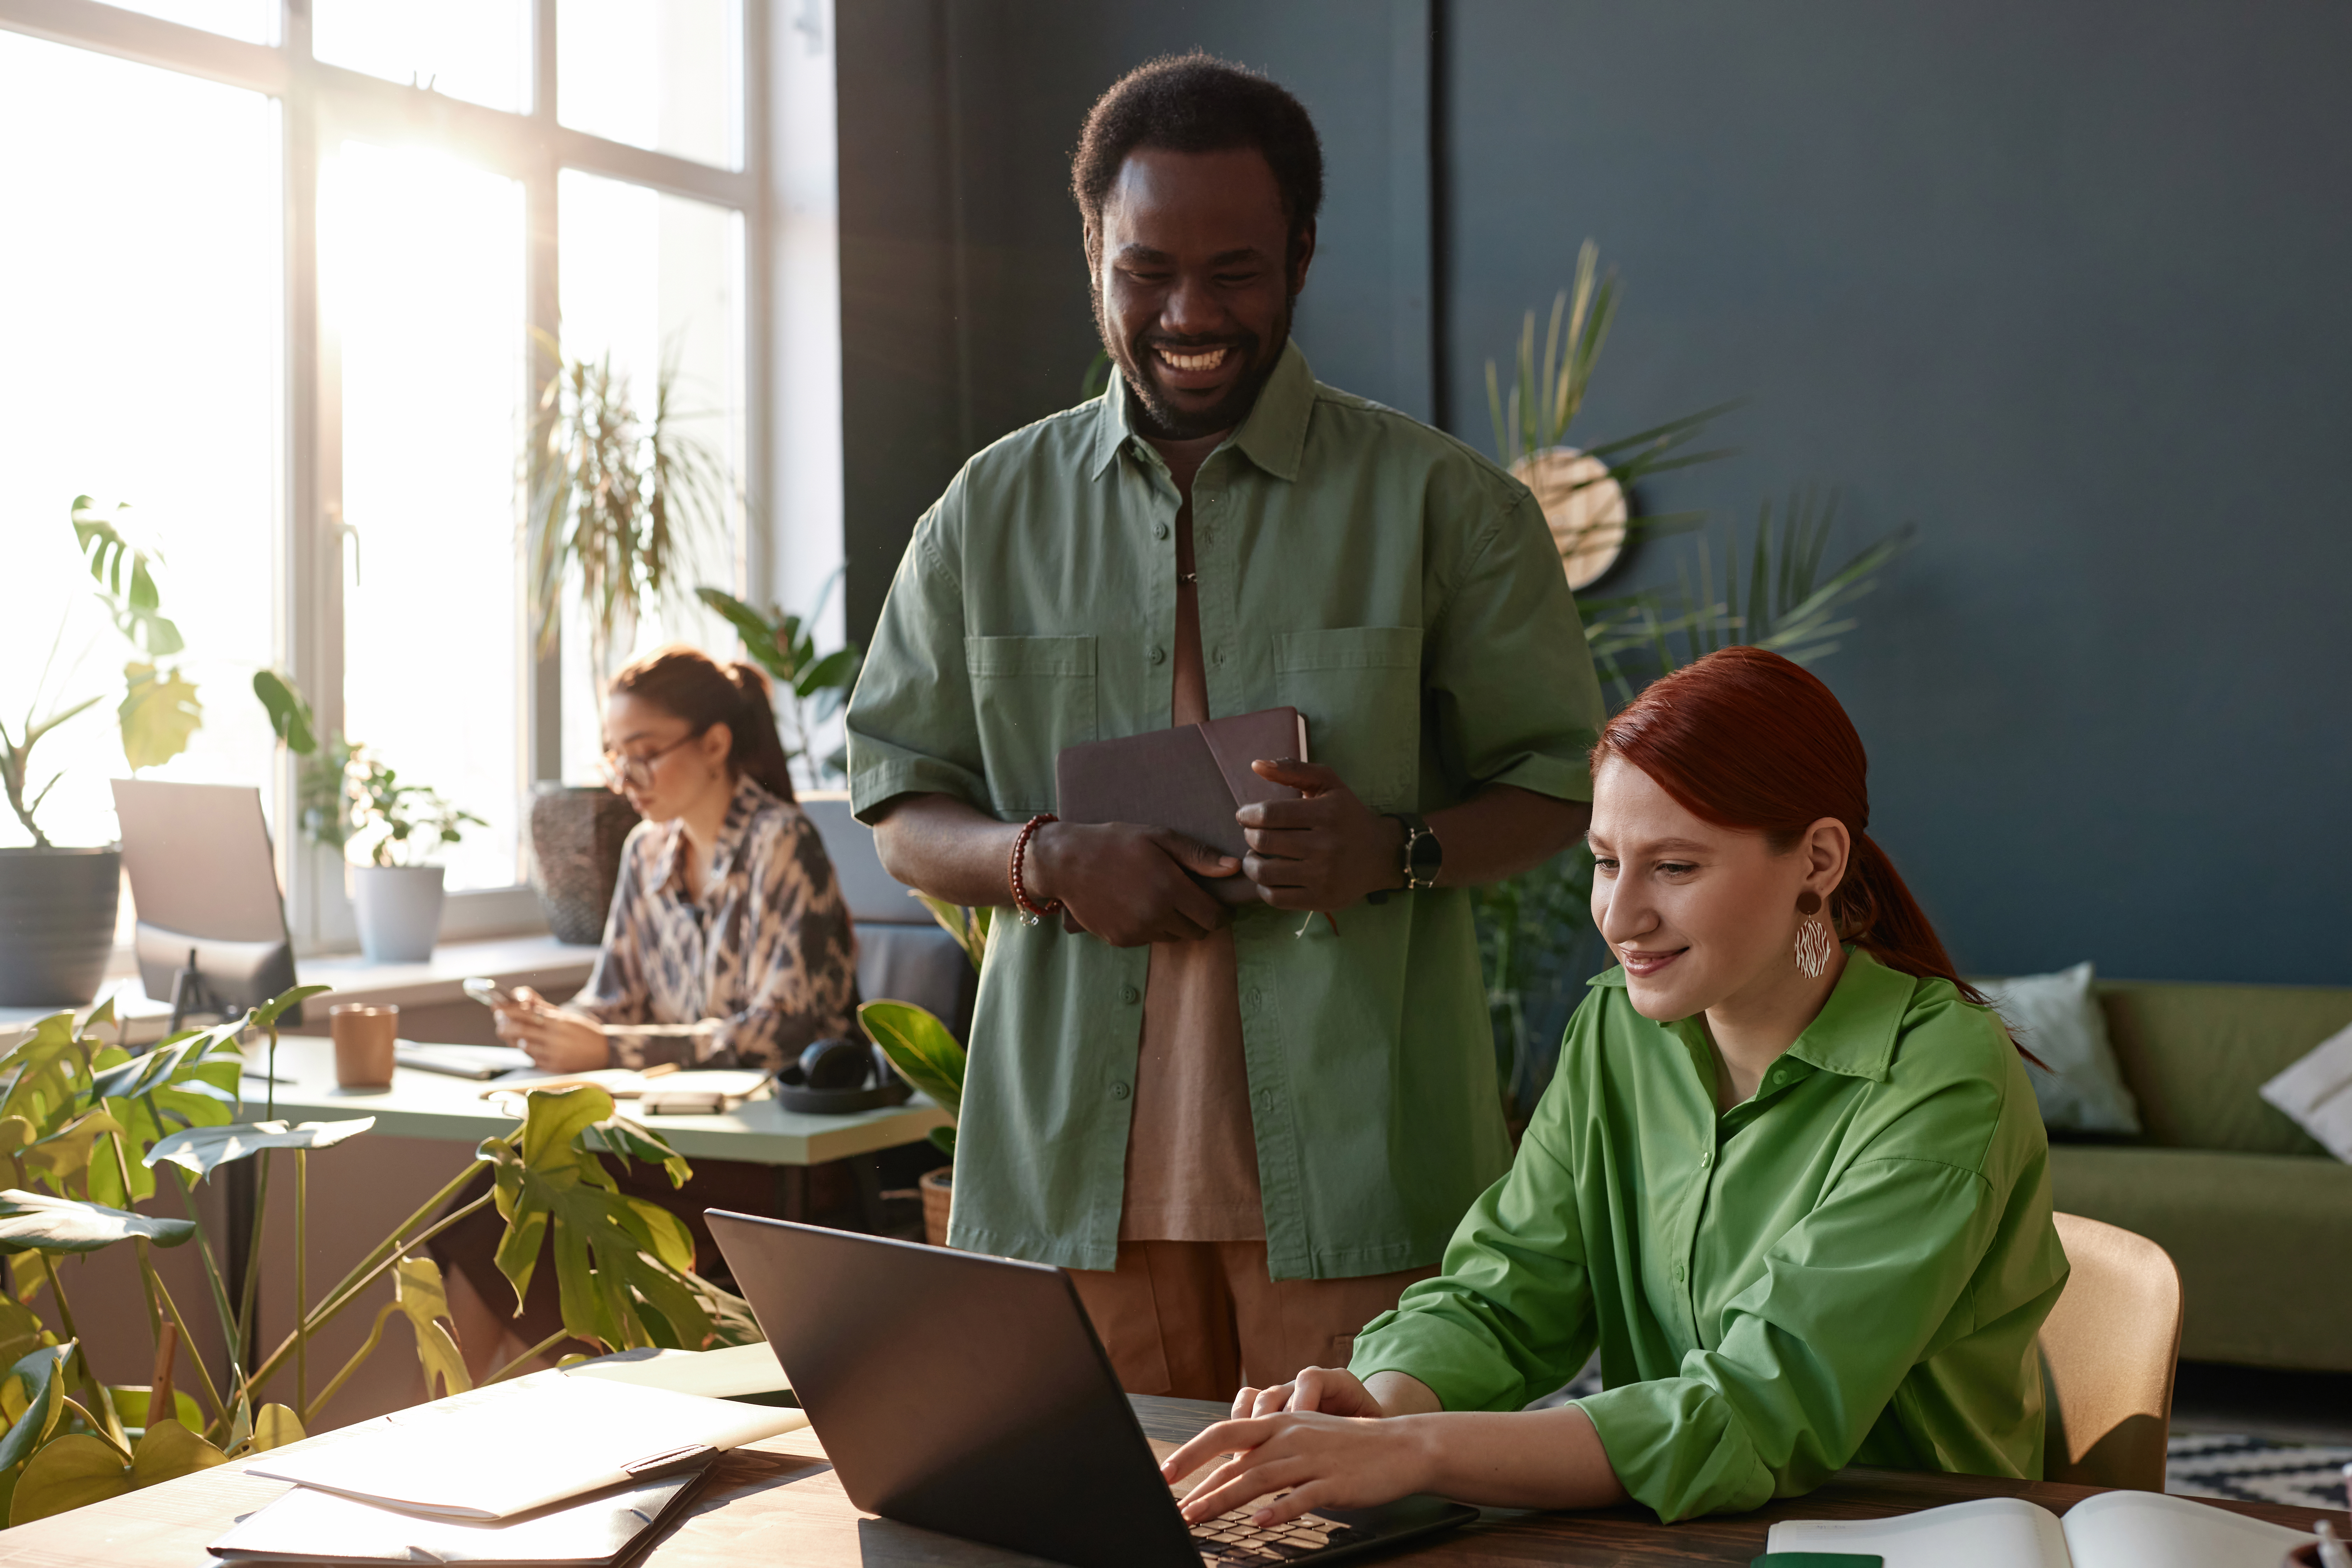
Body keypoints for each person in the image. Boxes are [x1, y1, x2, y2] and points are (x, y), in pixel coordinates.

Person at [845, 53, 1605, 1401]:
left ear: (1302, 256)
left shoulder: (1446, 506)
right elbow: (902, 803)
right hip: (1065, 1192)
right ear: (1096, 260)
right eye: (1147, 270)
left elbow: (1563, 786)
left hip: (1365, 1187)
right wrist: (1043, 861)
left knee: (1372, 1547)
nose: (1190, 312)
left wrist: (1396, 853)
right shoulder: (984, 512)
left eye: (1236, 270)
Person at [1160, 646, 2069, 1526]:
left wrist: (1421, 1451)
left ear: (1819, 862)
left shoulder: (1945, 1076)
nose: (1621, 917)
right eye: (1605, 861)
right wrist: (1378, 1408)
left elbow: (1755, 1408)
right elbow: (1509, 1288)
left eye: (1675, 866)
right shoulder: (1615, 1030)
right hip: (1671, 1529)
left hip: (1915, 1537)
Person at [436, 644, 860, 1379]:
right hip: (659, 1143)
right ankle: (452, 1426)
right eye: (614, 757)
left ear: (716, 744)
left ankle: (536, 1420)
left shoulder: (780, 842)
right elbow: (614, 997)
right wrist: (552, 1023)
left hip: (768, 1159)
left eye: (644, 754)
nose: (626, 779)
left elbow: (775, 1030)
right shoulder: (645, 850)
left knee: (525, 1204)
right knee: (485, 1200)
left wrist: (605, 1048)